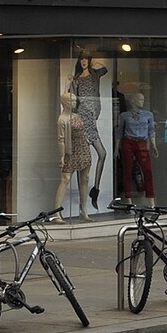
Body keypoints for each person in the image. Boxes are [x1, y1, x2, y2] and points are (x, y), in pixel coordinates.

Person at [72, 53, 109, 210]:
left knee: (102, 154)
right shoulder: (76, 79)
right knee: (84, 162)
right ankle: (83, 203)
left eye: (86, 59)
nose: (84, 62)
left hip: (91, 119)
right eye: (82, 60)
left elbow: (105, 69)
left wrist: (97, 62)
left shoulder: (95, 75)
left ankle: (96, 189)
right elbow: (73, 101)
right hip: (82, 118)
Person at [117, 89, 158, 206]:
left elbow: (151, 130)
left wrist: (153, 145)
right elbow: (119, 131)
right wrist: (116, 149)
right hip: (128, 142)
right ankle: (129, 199)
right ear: (133, 100)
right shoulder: (124, 116)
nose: (142, 102)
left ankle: (151, 199)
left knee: (147, 170)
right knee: (127, 170)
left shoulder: (148, 114)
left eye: (143, 100)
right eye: (140, 99)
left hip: (142, 142)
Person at [56, 88, 92, 219]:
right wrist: (62, 156)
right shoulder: (62, 119)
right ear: (64, 102)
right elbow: (61, 139)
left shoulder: (77, 116)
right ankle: (56, 213)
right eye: (71, 100)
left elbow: (84, 132)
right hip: (71, 151)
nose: (74, 103)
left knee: (85, 179)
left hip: (83, 148)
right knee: (65, 179)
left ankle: (84, 209)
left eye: (75, 101)